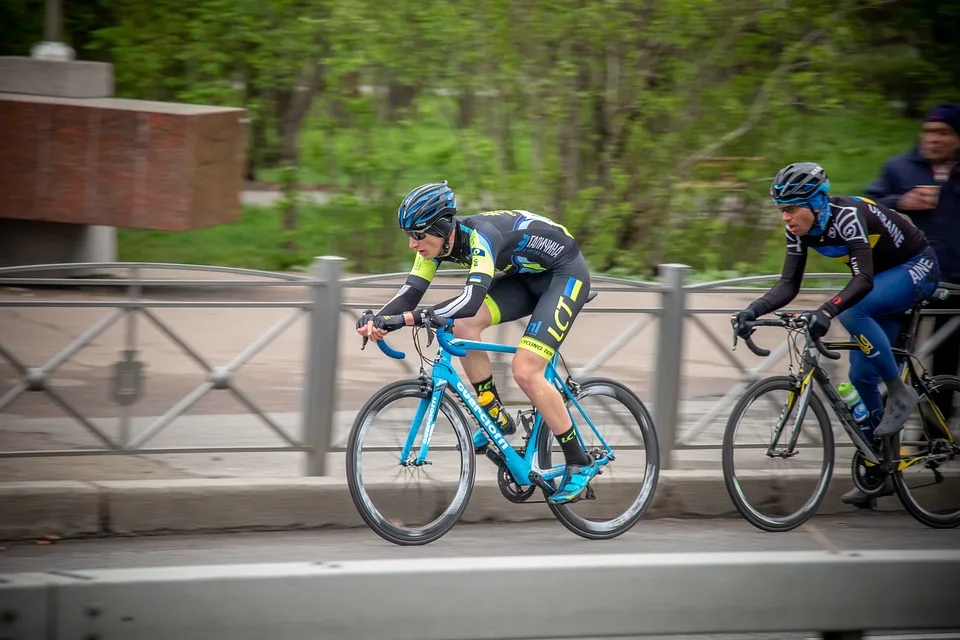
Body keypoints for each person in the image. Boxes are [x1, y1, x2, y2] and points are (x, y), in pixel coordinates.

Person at [356, 180, 601, 504]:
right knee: (464, 326)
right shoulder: (438, 244)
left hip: (564, 274)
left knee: (526, 371)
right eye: (409, 236)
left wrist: (409, 319)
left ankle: (579, 461)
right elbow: (410, 292)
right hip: (525, 277)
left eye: (417, 236)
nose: (412, 245)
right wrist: (376, 319)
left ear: (443, 228)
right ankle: (495, 415)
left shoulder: (481, 237)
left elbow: (471, 299)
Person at [732, 162, 941, 507]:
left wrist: (827, 310)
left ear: (817, 202)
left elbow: (863, 281)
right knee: (860, 377)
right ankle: (881, 467)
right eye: (781, 209)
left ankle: (900, 393)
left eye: (792, 208)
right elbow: (788, 285)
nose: (786, 217)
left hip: (916, 266)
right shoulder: (799, 230)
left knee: (854, 310)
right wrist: (753, 310)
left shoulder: (846, 216)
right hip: (883, 280)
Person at [865, 103, 960, 411]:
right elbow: (868, 205)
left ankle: (936, 438)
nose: (933, 138)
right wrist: (900, 201)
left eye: (943, 132)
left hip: (954, 282)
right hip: (907, 278)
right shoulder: (899, 168)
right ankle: (882, 429)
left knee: (947, 359)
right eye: (929, 131)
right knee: (893, 354)